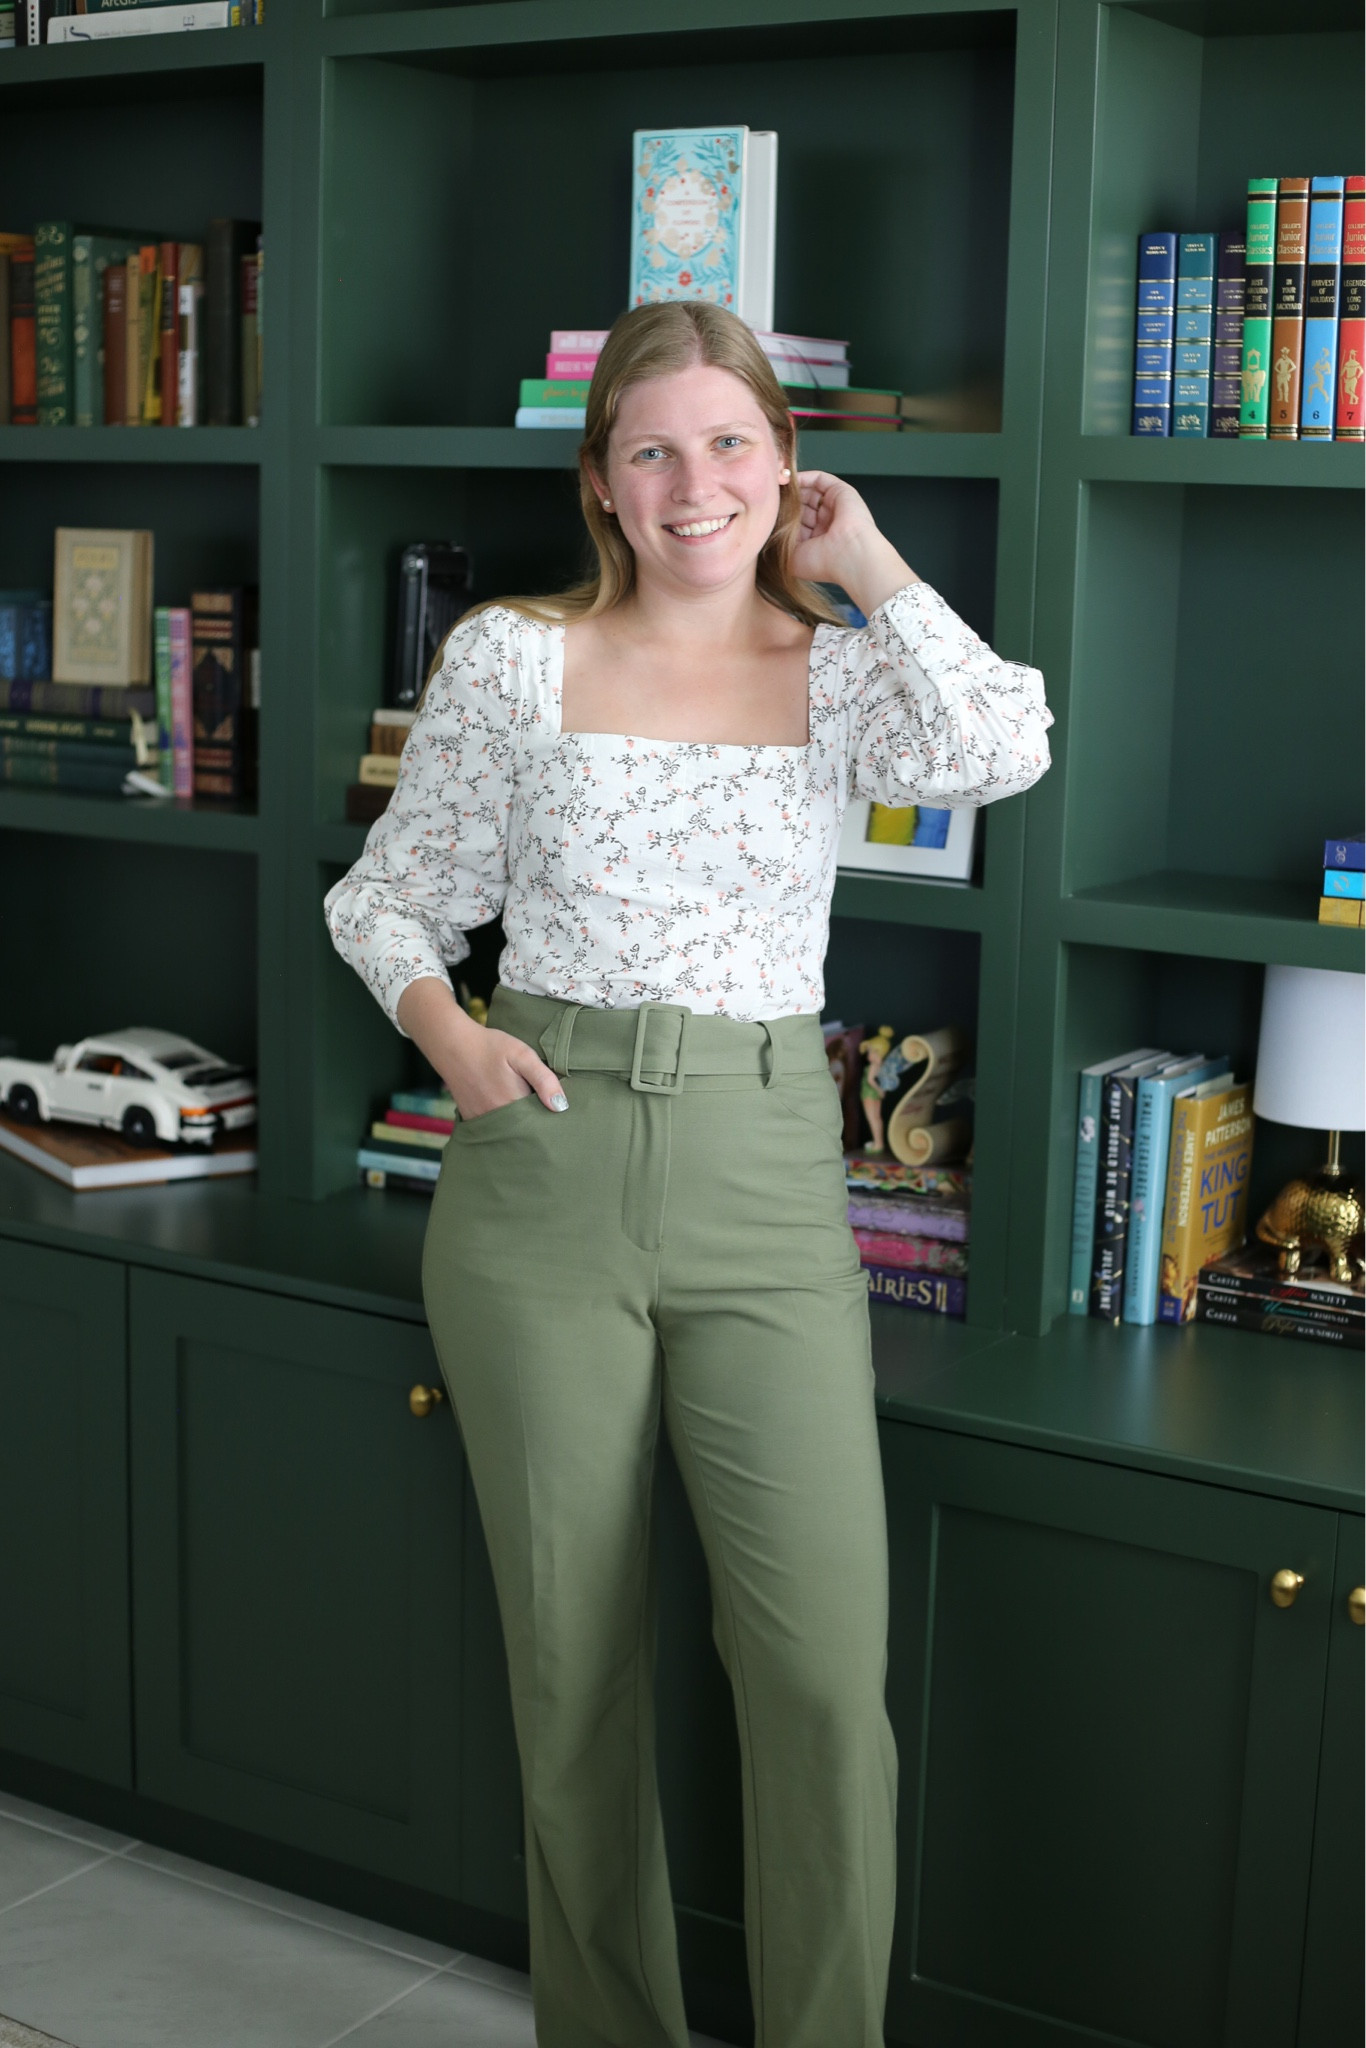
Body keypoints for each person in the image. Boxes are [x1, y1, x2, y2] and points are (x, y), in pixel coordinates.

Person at [324, 300, 1052, 2048]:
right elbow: (386, 895)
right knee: (573, 1670)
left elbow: (1004, 747)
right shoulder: (510, 656)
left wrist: (869, 560)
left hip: (764, 1184)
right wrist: (450, 1036)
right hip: (537, 1175)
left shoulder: (848, 669)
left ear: (786, 468)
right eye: (650, 448)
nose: (692, 480)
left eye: (732, 442)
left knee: (814, 1681)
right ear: (601, 483)